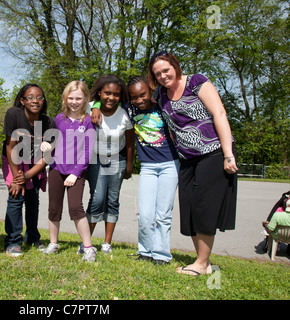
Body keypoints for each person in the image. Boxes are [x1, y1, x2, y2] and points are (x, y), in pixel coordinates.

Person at [148, 51, 238, 276]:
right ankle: (203, 263)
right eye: (157, 73)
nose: (163, 76)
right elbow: (136, 100)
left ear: (175, 66)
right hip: (187, 158)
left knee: (203, 206)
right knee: (188, 207)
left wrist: (228, 154)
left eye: (166, 70)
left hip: (213, 152)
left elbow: (219, 113)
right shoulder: (160, 94)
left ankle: (200, 263)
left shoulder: (196, 82)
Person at [123, 76, 180, 264]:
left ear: (150, 90)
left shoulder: (163, 106)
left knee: (163, 213)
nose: (139, 100)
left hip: (169, 165)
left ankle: (162, 255)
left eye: (143, 95)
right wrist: (97, 105)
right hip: (147, 167)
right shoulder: (129, 109)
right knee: (145, 214)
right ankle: (146, 251)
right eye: (134, 97)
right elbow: (103, 98)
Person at [41, 80, 97, 262]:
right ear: (65, 98)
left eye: (78, 98)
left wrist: (75, 173)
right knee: (54, 208)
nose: (74, 102)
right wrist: (47, 144)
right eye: (70, 98)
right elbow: (53, 141)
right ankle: (53, 243)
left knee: (75, 208)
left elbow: (88, 151)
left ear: (85, 99)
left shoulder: (88, 121)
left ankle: (88, 248)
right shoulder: (59, 119)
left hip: (76, 172)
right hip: (57, 169)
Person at [2, 84, 56, 257]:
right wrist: (18, 178)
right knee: (16, 197)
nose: (35, 101)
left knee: (33, 201)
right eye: (30, 97)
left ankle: (32, 237)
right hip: (14, 161)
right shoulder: (14, 115)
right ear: (22, 101)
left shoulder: (48, 122)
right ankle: (12, 241)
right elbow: (10, 147)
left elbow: (47, 156)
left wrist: (28, 176)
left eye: (39, 97)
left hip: (34, 165)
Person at [87, 74, 135, 254]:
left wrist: (129, 166)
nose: (111, 98)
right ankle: (87, 242)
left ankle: (107, 243)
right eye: (107, 93)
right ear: (99, 92)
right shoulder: (89, 108)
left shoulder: (124, 113)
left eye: (116, 94)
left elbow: (130, 143)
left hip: (117, 159)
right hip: (95, 160)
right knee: (97, 199)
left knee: (113, 200)